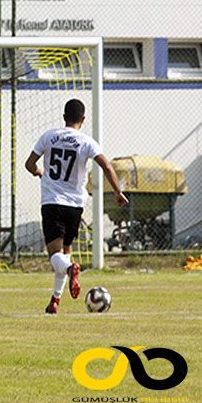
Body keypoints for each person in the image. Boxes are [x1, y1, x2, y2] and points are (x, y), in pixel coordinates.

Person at [24, 99, 128, 314]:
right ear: (83, 119)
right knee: (65, 253)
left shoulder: (49, 136)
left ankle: (71, 270)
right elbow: (106, 165)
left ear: (64, 117)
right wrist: (118, 191)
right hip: (75, 205)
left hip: (52, 202)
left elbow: (29, 164)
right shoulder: (87, 141)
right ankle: (55, 300)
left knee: (55, 255)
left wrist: (39, 173)